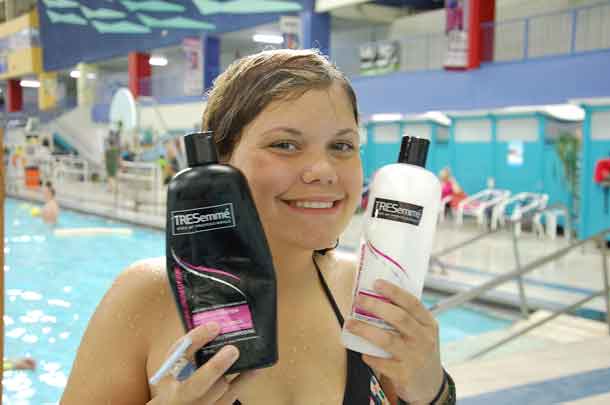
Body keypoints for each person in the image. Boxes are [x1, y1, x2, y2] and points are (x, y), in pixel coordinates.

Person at [61, 49, 454, 405]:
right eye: (285, 145)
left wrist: (432, 391)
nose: (322, 171)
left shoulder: (368, 293)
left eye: (342, 146)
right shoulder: (150, 296)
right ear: (220, 159)